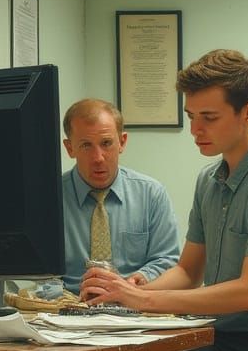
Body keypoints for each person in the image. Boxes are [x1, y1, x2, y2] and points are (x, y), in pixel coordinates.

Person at [81, 50, 248, 351]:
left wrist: (144, 300)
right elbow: (188, 270)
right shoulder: (209, 180)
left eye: (209, 118)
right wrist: (128, 291)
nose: (195, 130)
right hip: (210, 335)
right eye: (191, 117)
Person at [60, 98, 179, 295]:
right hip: (67, 307)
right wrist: (63, 297)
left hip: (135, 307)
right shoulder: (50, 199)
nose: (98, 158)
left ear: (122, 142)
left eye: (106, 143)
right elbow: (39, 274)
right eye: (86, 146)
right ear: (70, 148)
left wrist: (133, 283)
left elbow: (167, 260)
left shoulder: (151, 194)